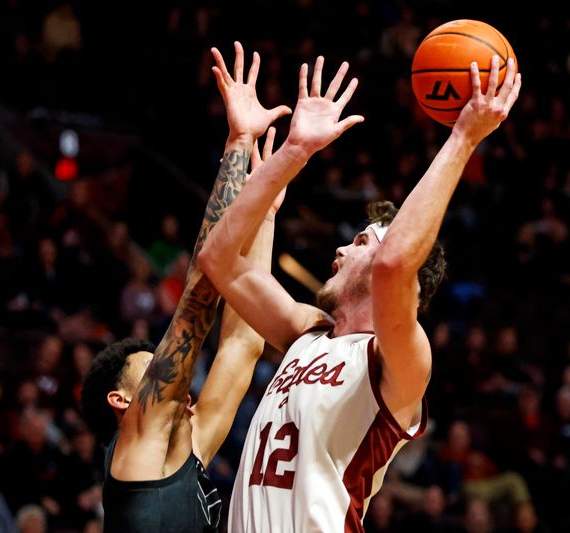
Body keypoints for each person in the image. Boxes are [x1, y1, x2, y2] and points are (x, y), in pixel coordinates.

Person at [199, 47, 521, 531]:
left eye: (360, 241)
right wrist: (291, 153)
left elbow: (393, 265)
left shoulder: (401, 361)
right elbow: (217, 259)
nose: (341, 249)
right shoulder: (306, 332)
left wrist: (463, 136)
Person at [80, 42, 290, 532]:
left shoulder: (188, 447)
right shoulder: (136, 444)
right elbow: (199, 295)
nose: (168, 369)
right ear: (122, 401)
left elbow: (243, 342)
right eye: (153, 367)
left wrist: (261, 212)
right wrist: (238, 143)